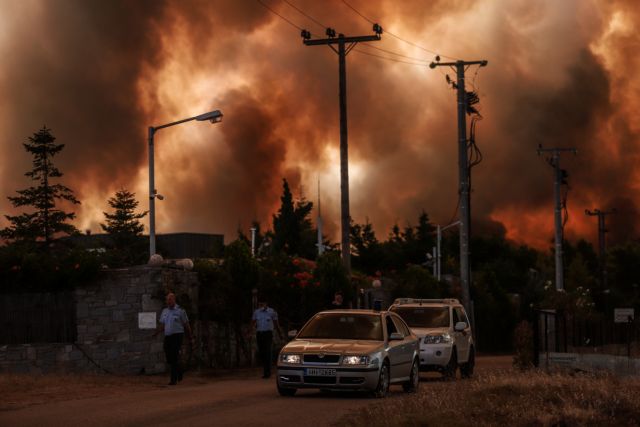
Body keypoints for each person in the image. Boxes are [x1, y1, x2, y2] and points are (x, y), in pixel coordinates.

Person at [154, 292, 192, 385]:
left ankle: (173, 380)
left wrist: (190, 336)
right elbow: (163, 325)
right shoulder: (165, 311)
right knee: (168, 355)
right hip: (168, 336)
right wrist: (156, 332)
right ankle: (180, 370)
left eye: (170, 300)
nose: (168, 301)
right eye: (167, 300)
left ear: (174, 300)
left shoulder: (180, 311)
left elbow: (186, 324)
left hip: (177, 335)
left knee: (174, 356)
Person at [252, 298, 281, 378]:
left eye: (262, 304)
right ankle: (266, 369)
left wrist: (279, 333)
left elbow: (276, 323)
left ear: (266, 304)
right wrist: (249, 331)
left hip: (268, 334)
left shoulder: (272, 312)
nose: (261, 306)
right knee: (262, 352)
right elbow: (253, 323)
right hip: (259, 334)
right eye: (260, 304)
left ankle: (267, 372)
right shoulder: (256, 312)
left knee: (267, 352)